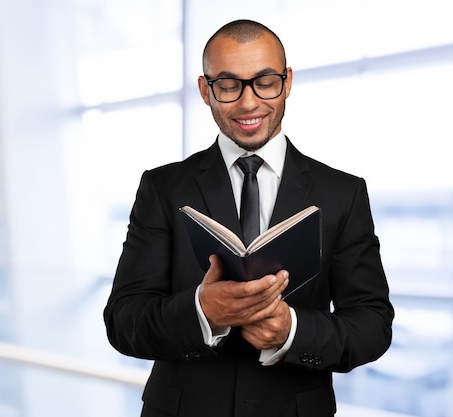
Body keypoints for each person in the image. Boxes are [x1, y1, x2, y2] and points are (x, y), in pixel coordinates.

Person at [103, 19, 394, 417]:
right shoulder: (162, 187)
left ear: (287, 82)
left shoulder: (343, 193)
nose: (248, 102)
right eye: (228, 85)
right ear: (206, 91)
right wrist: (203, 312)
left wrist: (291, 331)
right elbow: (123, 321)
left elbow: (372, 325)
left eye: (265, 81)